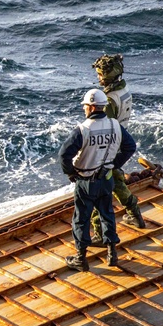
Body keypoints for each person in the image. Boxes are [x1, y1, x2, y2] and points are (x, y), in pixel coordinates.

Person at [59, 89, 137, 271]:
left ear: (92, 106)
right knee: (107, 214)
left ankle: (80, 258)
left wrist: (71, 173)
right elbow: (130, 146)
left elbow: (64, 154)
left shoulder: (83, 130)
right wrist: (114, 164)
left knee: (81, 219)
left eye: (85, 106)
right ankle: (112, 253)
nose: (85, 109)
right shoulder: (115, 126)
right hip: (106, 179)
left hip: (86, 181)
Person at [89, 53, 147, 241]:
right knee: (116, 181)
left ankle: (99, 233)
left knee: (98, 187)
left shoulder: (108, 100)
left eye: (100, 74)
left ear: (107, 76)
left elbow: (104, 127)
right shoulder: (124, 91)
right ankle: (135, 214)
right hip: (121, 141)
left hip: (108, 147)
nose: (98, 78)